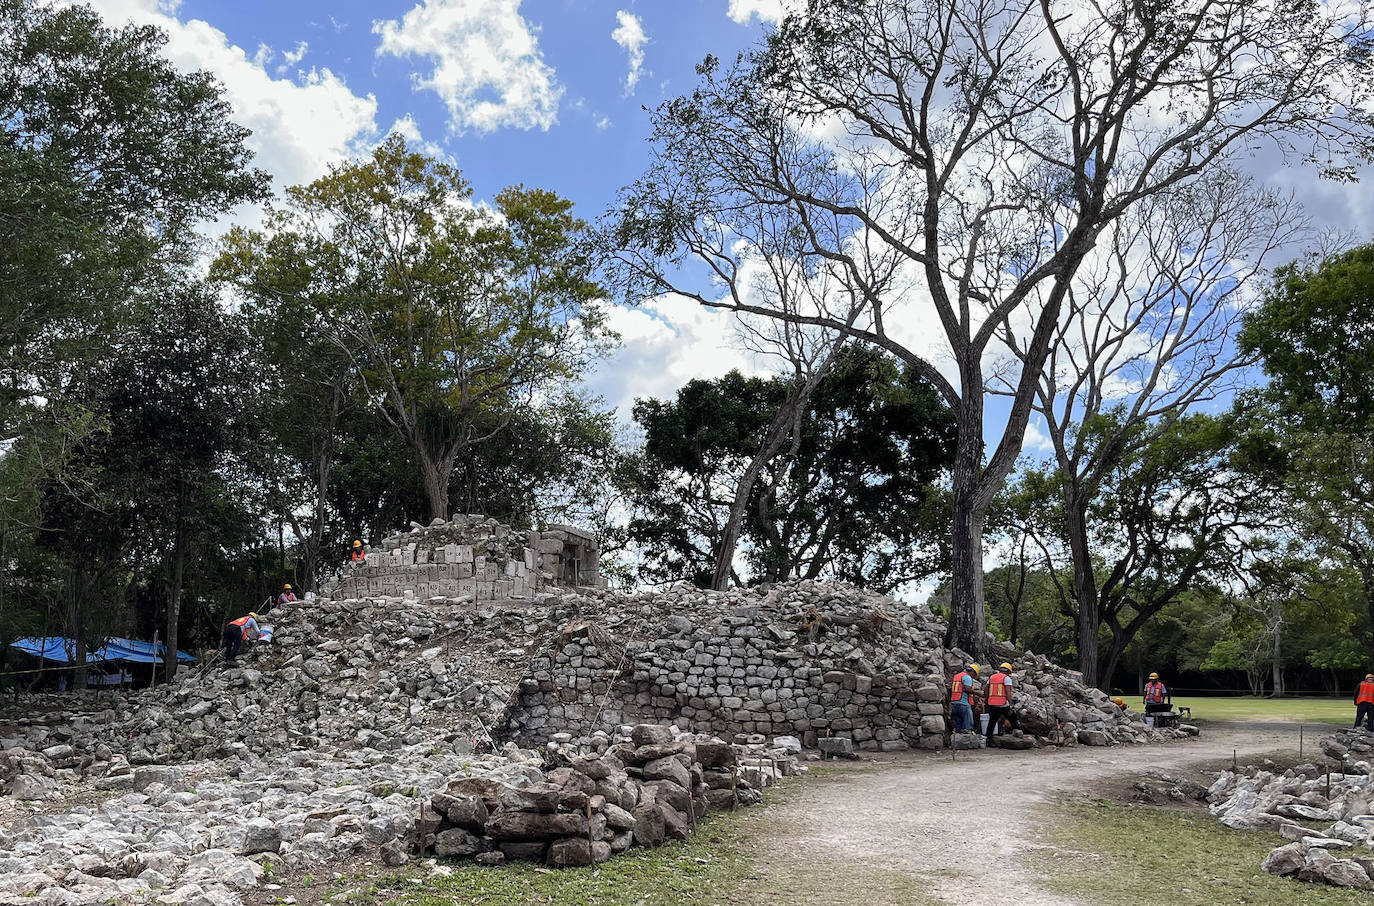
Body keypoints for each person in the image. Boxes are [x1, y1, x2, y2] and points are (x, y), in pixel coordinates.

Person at [984, 662, 1021, 744]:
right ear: (1008, 671)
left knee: (992, 722)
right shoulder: (1006, 678)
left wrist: (986, 699)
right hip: (1003, 704)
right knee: (1013, 718)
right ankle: (1019, 734)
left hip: (992, 703)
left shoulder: (992, 677)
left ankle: (988, 739)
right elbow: (1008, 692)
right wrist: (1011, 704)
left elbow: (986, 689)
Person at [950, 664, 979, 733]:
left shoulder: (957, 676)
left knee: (959, 726)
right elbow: (967, 689)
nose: (974, 677)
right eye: (974, 675)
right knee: (967, 727)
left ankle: (958, 738)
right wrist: (979, 693)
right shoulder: (967, 677)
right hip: (963, 704)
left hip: (954, 703)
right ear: (972, 672)